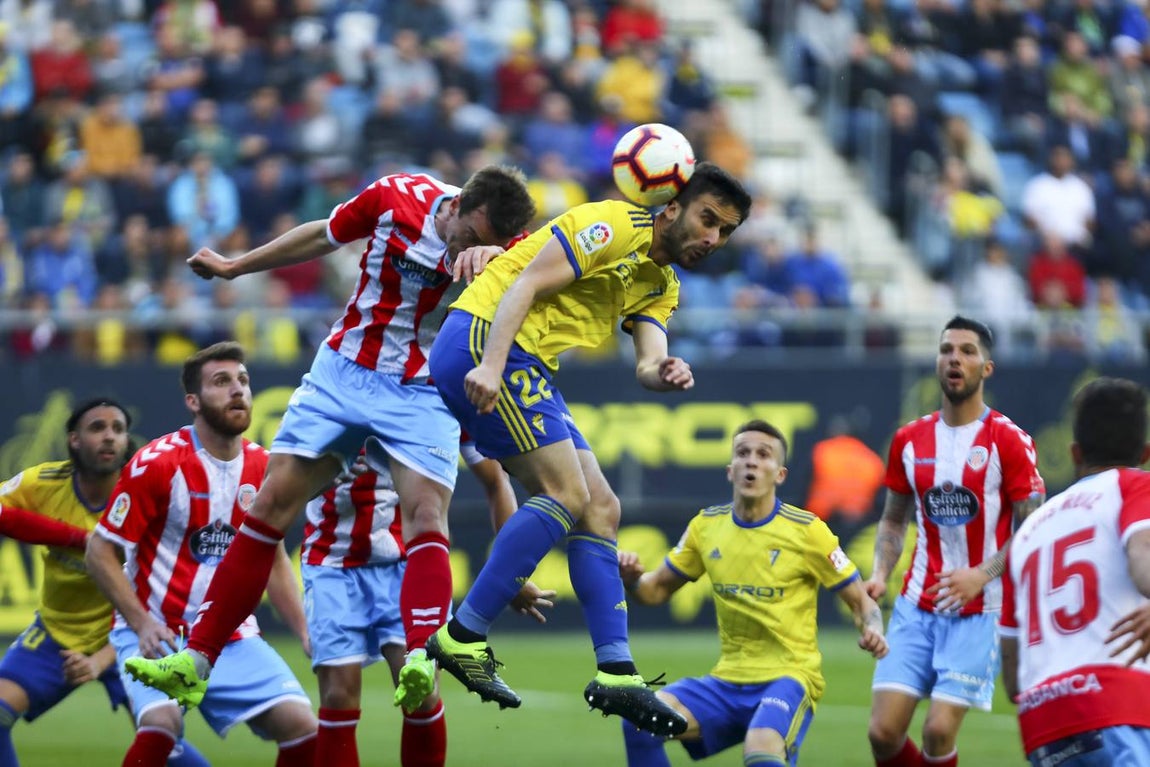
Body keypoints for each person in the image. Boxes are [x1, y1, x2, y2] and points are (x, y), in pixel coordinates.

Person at [123, 166, 537, 714]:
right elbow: (324, 234)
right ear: (458, 205)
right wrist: (235, 267)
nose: (467, 249)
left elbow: (545, 285)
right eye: (470, 236)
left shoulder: (513, 246)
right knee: (270, 504)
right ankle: (196, 660)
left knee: (425, 513)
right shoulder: (396, 197)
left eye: (484, 243)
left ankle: (421, 655)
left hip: (421, 385)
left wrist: (505, 261)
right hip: (345, 370)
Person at [423, 161, 753, 736]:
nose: (713, 238)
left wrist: (664, 371)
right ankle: (463, 635)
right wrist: (492, 366)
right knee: (566, 493)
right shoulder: (614, 224)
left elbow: (647, 362)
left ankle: (616, 672)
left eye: (725, 231)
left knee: (600, 507)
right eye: (708, 219)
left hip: (528, 364)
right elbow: (526, 283)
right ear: (672, 207)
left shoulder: (662, 285)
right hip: (486, 338)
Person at [86, 342, 318, 766]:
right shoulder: (157, 463)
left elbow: (272, 560)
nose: (237, 390)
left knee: (302, 726)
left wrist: (304, 630)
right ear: (193, 401)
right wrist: (141, 623)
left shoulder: (265, 468)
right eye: (221, 382)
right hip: (159, 631)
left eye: (243, 380)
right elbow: (98, 551)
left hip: (231, 635)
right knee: (162, 723)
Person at [617, 419, 888, 766]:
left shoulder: (807, 531)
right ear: (730, 470)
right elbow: (654, 591)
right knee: (640, 721)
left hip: (789, 678)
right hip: (727, 681)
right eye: (743, 453)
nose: (752, 461)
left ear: (780, 474)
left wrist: (873, 628)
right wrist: (633, 579)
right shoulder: (706, 527)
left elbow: (862, 601)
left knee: (761, 750)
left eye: (764, 455)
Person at [865, 316, 1046, 767]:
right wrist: (880, 574)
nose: (955, 359)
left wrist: (981, 574)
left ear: (987, 367)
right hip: (916, 604)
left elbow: (1032, 526)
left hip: (981, 611)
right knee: (882, 733)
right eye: (947, 349)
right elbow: (893, 519)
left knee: (938, 730)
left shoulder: (1008, 440)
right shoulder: (909, 440)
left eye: (967, 351)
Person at [303, 441, 554, 767]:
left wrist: (512, 574)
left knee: (421, 692)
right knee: (338, 695)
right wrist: (324, 471)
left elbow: (495, 479)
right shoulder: (326, 408)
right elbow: (287, 480)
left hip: (411, 563)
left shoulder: (442, 407)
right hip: (331, 561)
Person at [0, 398, 207, 767]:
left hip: (132, 635)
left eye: (118, 429)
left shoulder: (147, 491)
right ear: (74, 439)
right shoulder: (45, 483)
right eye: (97, 427)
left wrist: (97, 662)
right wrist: (80, 540)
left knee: (163, 740)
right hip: (58, 632)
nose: (109, 437)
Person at [1000, 377, 1150, 767]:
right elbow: (1143, 556)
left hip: (1044, 723)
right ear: (1146, 453)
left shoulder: (1028, 530)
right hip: (1120, 706)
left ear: (1074, 452)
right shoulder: (1134, 487)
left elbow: (1012, 677)